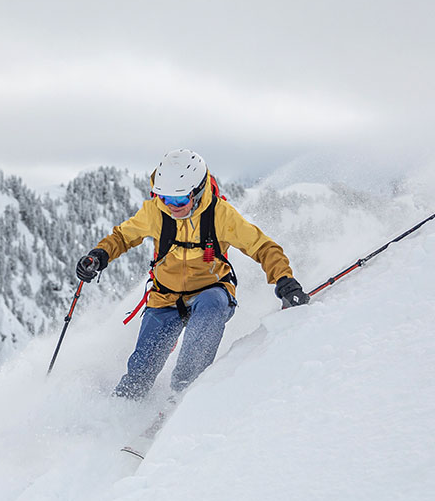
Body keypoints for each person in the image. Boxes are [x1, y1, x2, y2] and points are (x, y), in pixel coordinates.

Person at [76, 148, 310, 398]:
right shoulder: (156, 211)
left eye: (179, 200)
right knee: (140, 372)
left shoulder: (221, 215)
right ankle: (122, 410)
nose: (171, 206)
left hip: (210, 291)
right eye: (165, 198)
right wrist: (99, 255)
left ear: (197, 192)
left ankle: (184, 394)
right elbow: (122, 237)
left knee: (212, 305)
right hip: (165, 297)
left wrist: (285, 280)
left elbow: (263, 247)